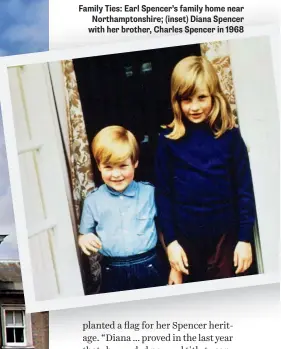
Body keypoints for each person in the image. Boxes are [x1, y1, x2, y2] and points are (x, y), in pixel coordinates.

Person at [155, 56, 256, 283]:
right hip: (187, 241)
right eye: (186, 100)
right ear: (176, 101)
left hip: (226, 239)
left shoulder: (229, 137)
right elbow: (163, 195)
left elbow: (244, 190)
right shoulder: (167, 140)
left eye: (202, 98)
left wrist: (244, 239)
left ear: (214, 96)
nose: (195, 107)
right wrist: (171, 243)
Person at [78, 125, 169, 293]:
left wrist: (174, 267)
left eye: (122, 166)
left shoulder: (150, 193)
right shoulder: (92, 200)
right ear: (98, 166)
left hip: (150, 265)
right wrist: (84, 239)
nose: (116, 174)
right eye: (108, 167)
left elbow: (165, 230)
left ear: (135, 163)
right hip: (112, 270)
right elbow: (85, 233)